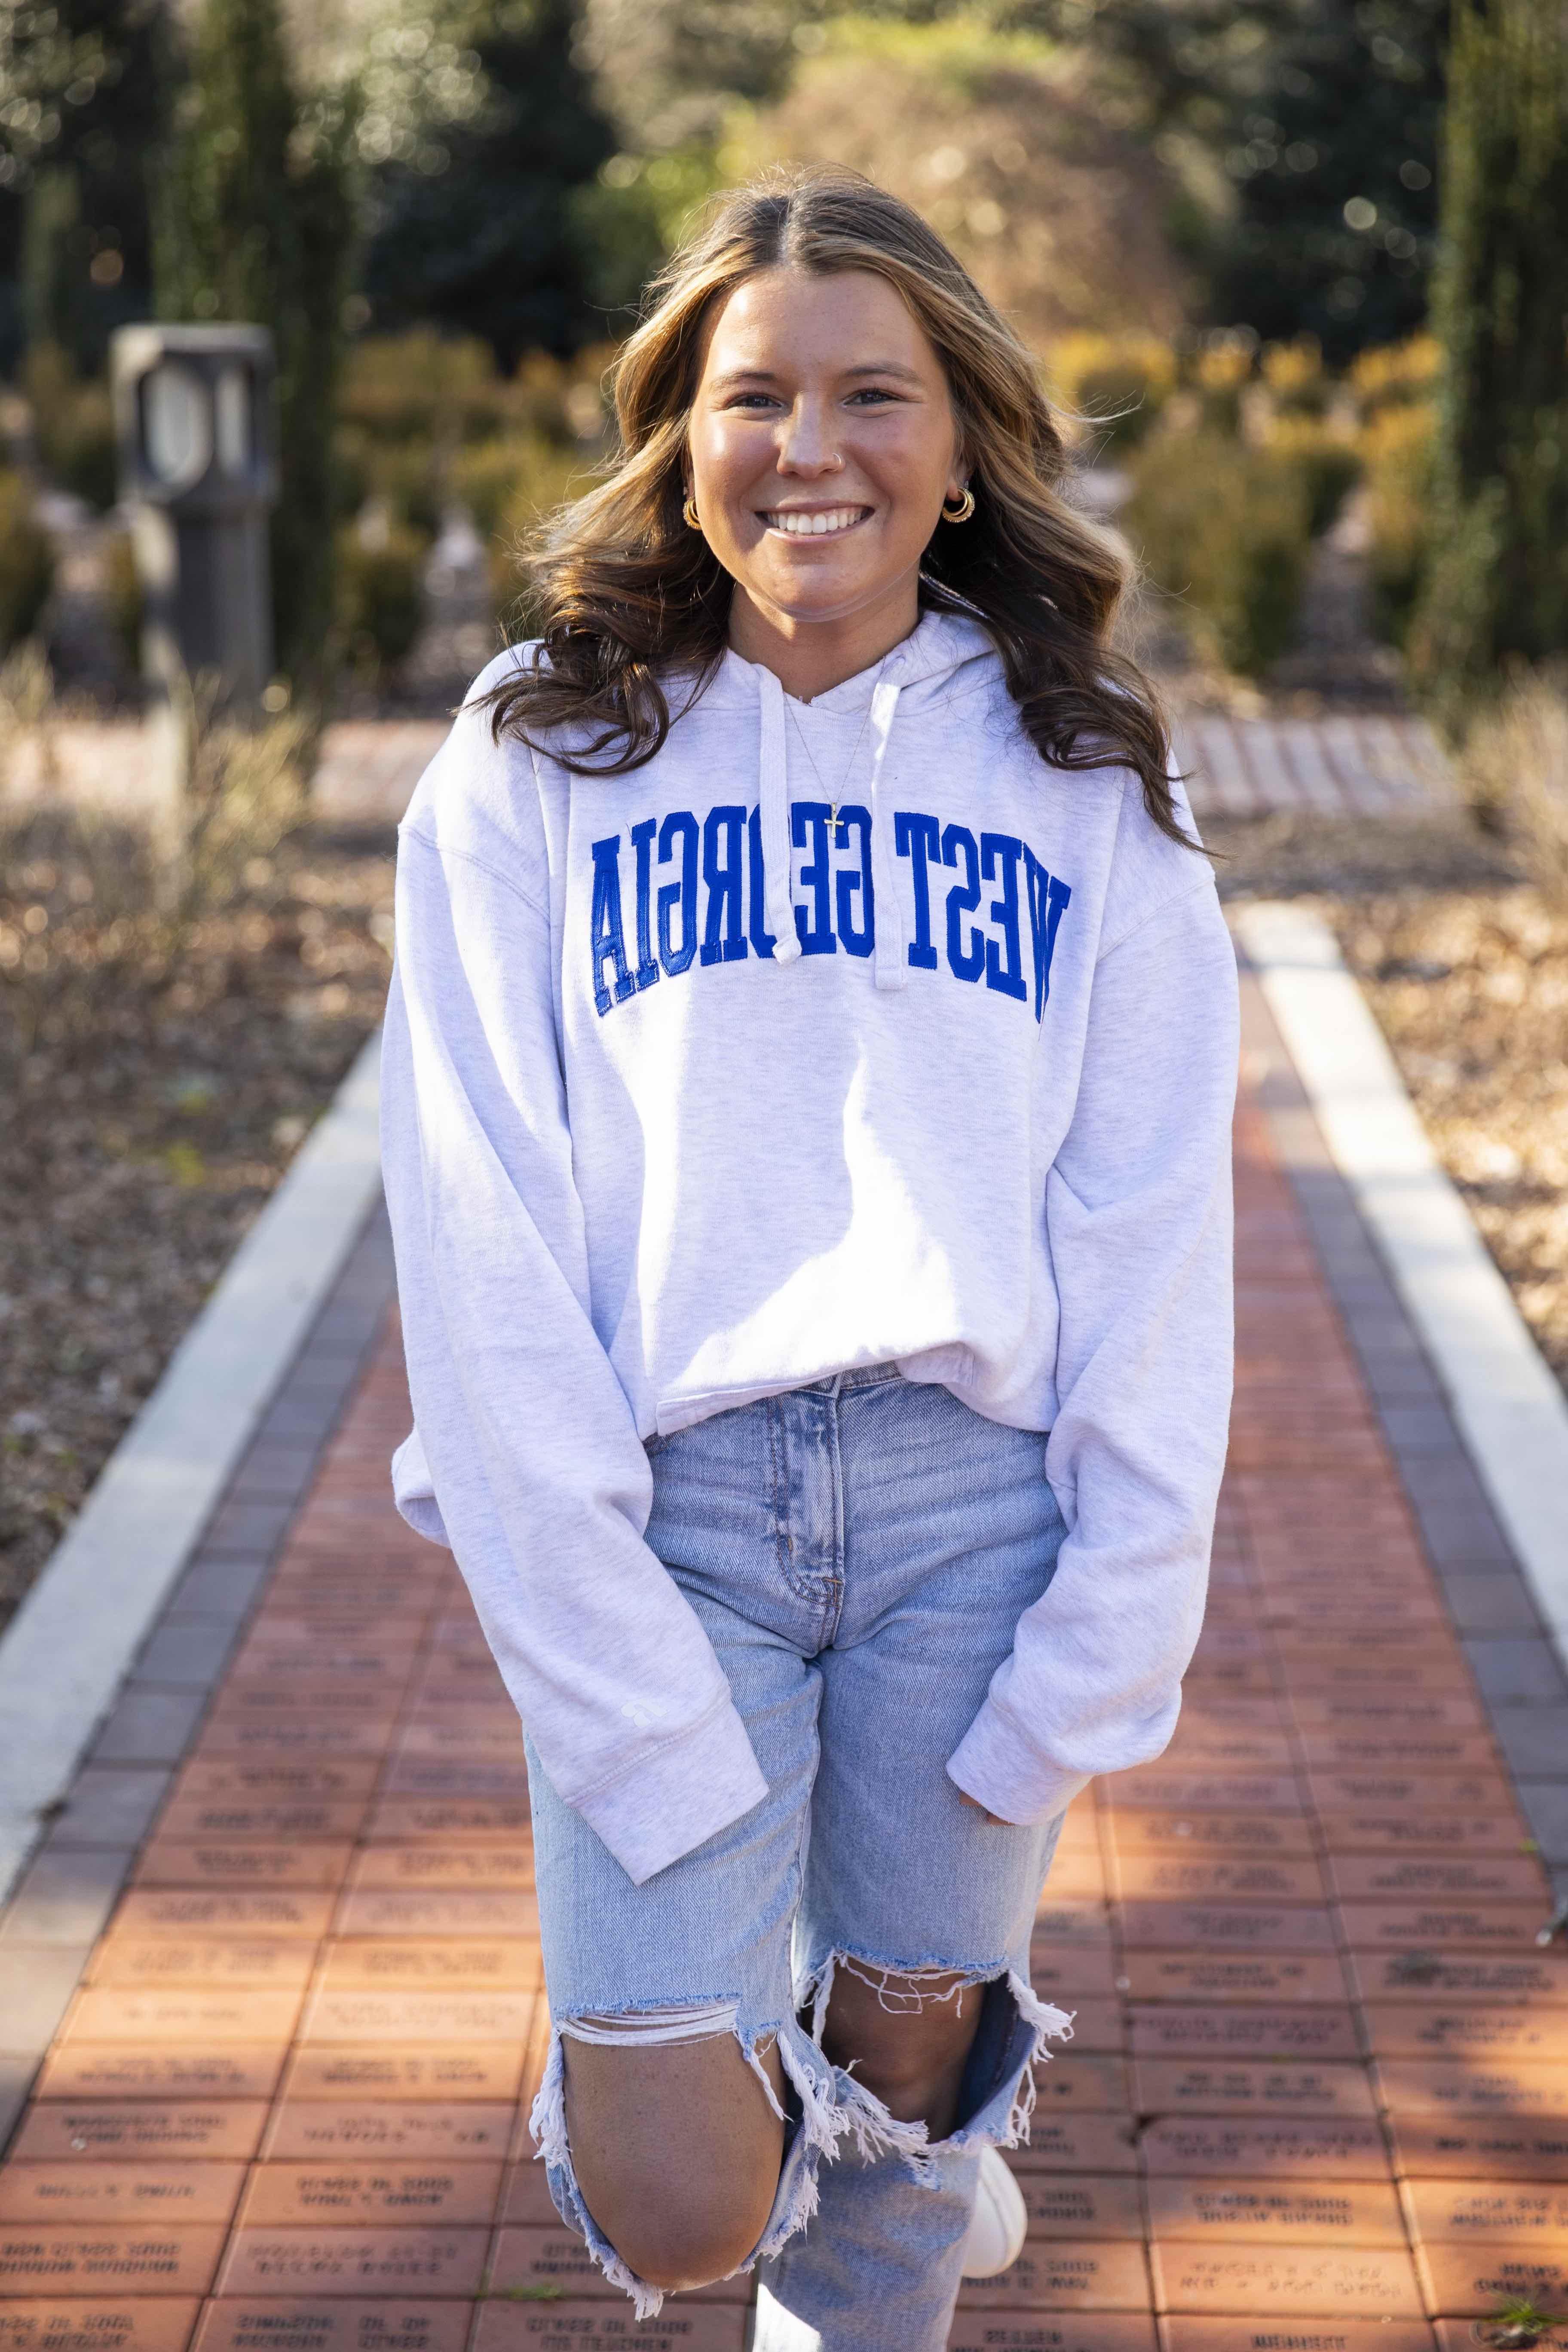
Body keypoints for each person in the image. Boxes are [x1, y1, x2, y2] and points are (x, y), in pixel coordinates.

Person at [377, 166, 1237, 2352]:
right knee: (683, 2204)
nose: (814, 448)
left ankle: (904, 2194)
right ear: (683, 434)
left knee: (904, 2113)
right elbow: (480, 1241)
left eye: (877, 395)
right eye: (756, 396)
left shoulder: (1087, 787)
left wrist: (1101, 1651)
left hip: (973, 1513)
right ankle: (832, 2124)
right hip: (667, 1513)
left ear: (960, 453)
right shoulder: (535, 759)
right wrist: (601, 1663)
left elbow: (1149, 1233)